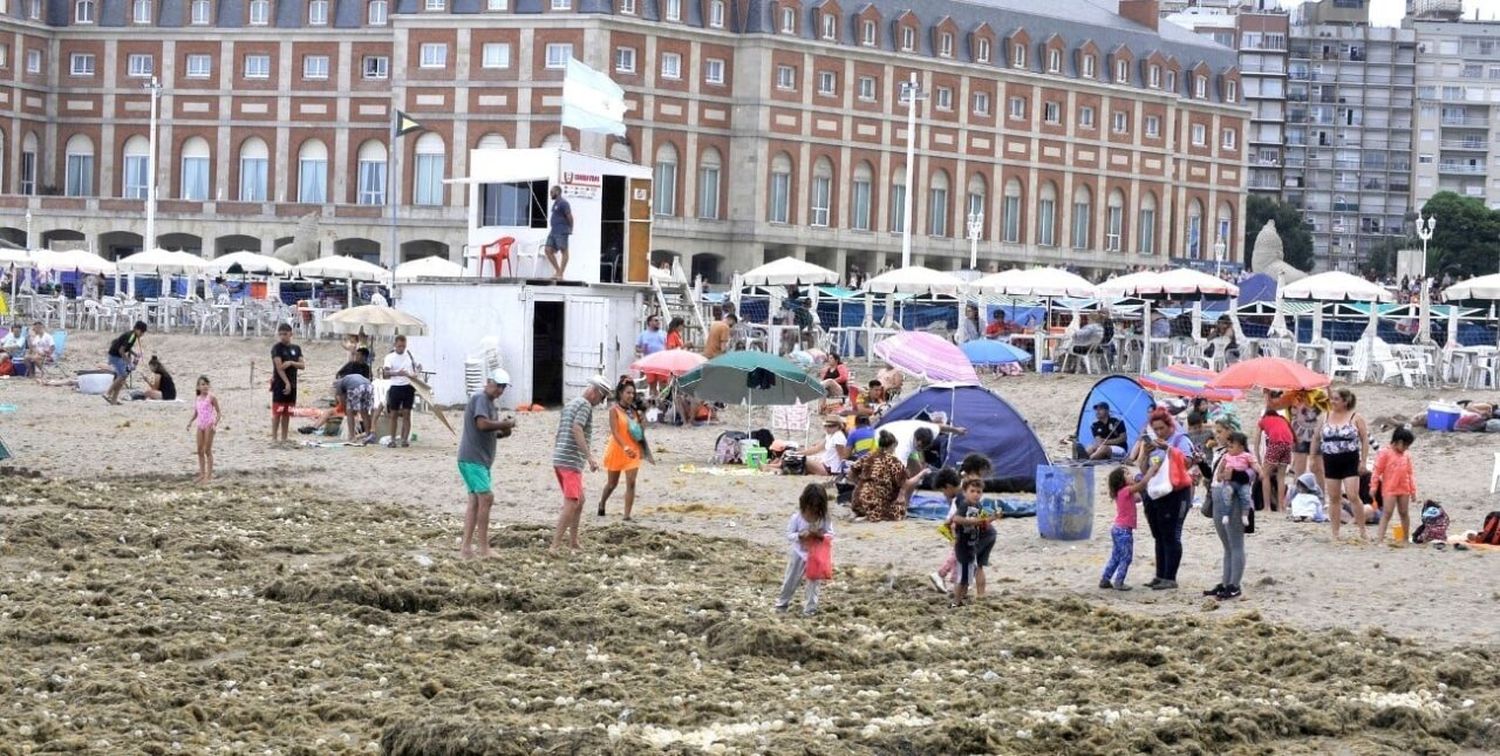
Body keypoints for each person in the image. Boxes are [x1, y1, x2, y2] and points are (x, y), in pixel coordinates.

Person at [458, 369, 516, 559]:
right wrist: (503, 424)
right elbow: (482, 424)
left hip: (476, 459)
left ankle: (467, 548)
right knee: (486, 498)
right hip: (473, 458)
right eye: (498, 385)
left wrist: (504, 430)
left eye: (503, 387)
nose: (500, 390)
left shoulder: (490, 403)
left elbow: (490, 432)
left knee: (475, 501)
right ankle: (483, 548)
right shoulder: (481, 399)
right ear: (489, 382)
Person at [550, 375, 611, 554]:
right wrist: (590, 457)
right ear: (594, 392)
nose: (601, 402)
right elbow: (577, 428)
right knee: (571, 503)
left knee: (580, 500)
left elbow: (562, 430)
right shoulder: (585, 406)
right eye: (602, 397)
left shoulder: (571, 403)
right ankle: (555, 545)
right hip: (570, 462)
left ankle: (574, 541)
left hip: (560, 459)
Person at [1138, 409, 1196, 591]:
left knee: (1171, 534)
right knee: (1159, 535)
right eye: (1155, 429)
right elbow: (1143, 467)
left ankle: (1170, 577)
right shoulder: (1153, 442)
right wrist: (1145, 453)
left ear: (1170, 425)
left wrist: (1168, 449)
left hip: (1176, 492)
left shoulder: (1181, 440)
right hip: (1155, 492)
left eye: (1162, 428)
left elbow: (1187, 463)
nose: (1159, 432)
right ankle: (1160, 575)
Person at [1207, 431, 1259, 600]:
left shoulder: (1243, 454)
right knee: (1227, 545)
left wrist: (1234, 475)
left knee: (1235, 544)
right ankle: (1225, 582)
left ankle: (1234, 585)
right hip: (1218, 496)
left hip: (1234, 500)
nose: (1218, 434)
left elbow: (1252, 473)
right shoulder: (1221, 452)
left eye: (1220, 431)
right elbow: (1215, 475)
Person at [1315, 388, 1370, 543]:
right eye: (1331, 399)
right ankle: (1335, 532)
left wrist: (1364, 461)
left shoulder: (1355, 417)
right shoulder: (1325, 417)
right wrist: (1313, 458)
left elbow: (1365, 439)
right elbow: (1316, 439)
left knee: (1353, 495)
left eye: (1336, 399)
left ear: (1345, 401)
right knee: (1333, 498)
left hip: (1350, 460)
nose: (1332, 402)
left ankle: (1362, 530)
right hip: (1330, 460)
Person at [597, 377, 654, 520]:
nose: (631, 396)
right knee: (612, 484)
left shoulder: (635, 410)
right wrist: (624, 446)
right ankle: (602, 503)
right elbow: (615, 432)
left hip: (633, 450)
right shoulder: (613, 410)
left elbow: (640, 431)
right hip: (617, 449)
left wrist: (643, 418)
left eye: (633, 393)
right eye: (628, 393)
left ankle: (627, 515)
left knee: (631, 482)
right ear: (621, 393)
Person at [775, 484, 832, 616]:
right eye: (810, 506)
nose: (813, 510)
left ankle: (810, 609)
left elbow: (830, 534)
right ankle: (782, 603)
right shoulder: (797, 518)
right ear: (804, 503)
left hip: (815, 555)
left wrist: (820, 535)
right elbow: (789, 535)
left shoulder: (824, 519)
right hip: (799, 553)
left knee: (814, 583)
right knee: (791, 579)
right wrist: (800, 535)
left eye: (817, 507)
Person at [949, 478, 998, 608]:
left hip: (972, 545)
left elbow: (983, 522)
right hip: (963, 546)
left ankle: (961, 599)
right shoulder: (965, 505)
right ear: (965, 492)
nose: (976, 494)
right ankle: (956, 601)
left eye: (979, 492)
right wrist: (973, 522)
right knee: (963, 577)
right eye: (972, 491)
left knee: (968, 576)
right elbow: (957, 519)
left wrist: (993, 517)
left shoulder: (978, 506)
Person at [846, 430, 907, 521]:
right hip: (874, 501)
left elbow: (850, 473)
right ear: (892, 446)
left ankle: (859, 513)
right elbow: (902, 481)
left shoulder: (868, 456)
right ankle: (868, 516)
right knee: (899, 511)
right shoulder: (893, 461)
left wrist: (858, 483)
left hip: (857, 499)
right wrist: (901, 496)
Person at [1372, 427, 1417, 545]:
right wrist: (1373, 486)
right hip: (1389, 488)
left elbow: (1410, 473)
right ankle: (1380, 540)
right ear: (1399, 442)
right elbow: (1377, 471)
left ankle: (1406, 538)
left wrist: (1413, 490)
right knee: (1387, 513)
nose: (1407, 448)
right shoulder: (1385, 453)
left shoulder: (1406, 455)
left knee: (1404, 512)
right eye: (1406, 445)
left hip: (1404, 488)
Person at [1101, 466, 1142, 591]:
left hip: (1118, 529)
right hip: (1124, 530)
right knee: (1126, 557)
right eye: (1127, 474)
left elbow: (1138, 498)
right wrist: (1150, 473)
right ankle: (1119, 581)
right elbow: (1142, 486)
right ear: (1121, 480)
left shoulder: (1123, 492)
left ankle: (1105, 579)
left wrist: (1134, 482)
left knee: (1116, 556)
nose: (1131, 475)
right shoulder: (1125, 490)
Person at [1254, 403, 1294, 513]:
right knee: (1281, 477)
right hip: (1288, 445)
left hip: (1276, 443)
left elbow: (1256, 443)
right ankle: (1280, 507)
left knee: (1265, 475)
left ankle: (1267, 507)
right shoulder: (1282, 419)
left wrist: (1258, 461)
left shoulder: (1263, 421)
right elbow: (1293, 435)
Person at [270, 323, 305, 442]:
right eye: (280, 334)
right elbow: (279, 367)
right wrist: (286, 383)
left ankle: (284, 437)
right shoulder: (277, 348)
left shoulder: (296, 348)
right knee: (277, 411)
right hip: (280, 383)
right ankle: (274, 437)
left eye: (285, 334)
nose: (282, 337)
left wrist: (291, 363)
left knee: (287, 412)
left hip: (293, 382)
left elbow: (302, 365)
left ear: (291, 334)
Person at [382, 335, 419, 447]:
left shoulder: (409, 356)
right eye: (399, 346)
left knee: (407, 413)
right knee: (394, 414)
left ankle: (404, 439)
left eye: (403, 346)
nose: (401, 348)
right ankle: (392, 439)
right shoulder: (389, 357)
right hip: (395, 386)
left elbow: (415, 370)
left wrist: (414, 373)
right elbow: (386, 373)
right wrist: (398, 373)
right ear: (395, 345)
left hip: (408, 386)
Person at [185, 375, 220, 483]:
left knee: (207, 450)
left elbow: (219, 413)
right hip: (200, 425)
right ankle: (202, 474)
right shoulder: (197, 398)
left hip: (209, 425)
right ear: (198, 387)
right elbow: (196, 413)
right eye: (202, 384)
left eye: (206, 384)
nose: (205, 386)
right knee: (199, 451)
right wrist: (190, 422)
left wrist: (215, 423)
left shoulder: (212, 397)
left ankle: (208, 476)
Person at [105, 321, 149, 406]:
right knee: (123, 375)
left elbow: (127, 348)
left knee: (121, 379)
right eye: (142, 332)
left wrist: (135, 354)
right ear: (137, 330)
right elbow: (121, 350)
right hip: (115, 356)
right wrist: (129, 363)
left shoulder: (132, 335)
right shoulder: (131, 336)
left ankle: (114, 400)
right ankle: (107, 393)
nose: (142, 334)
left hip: (117, 355)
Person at [334, 370, 376, 442]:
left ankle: (352, 436)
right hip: (369, 385)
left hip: (356, 387)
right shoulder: (348, 378)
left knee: (349, 411)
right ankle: (368, 434)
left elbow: (342, 400)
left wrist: (346, 412)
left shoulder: (338, 384)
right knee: (364, 412)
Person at [542, 184, 574, 280]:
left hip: (562, 231)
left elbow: (570, 217)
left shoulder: (564, 203)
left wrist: (571, 228)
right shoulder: (556, 203)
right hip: (553, 231)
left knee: (564, 251)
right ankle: (558, 271)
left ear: (557, 192)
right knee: (547, 250)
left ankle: (560, 274)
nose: (550, 194)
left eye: (552, 192)